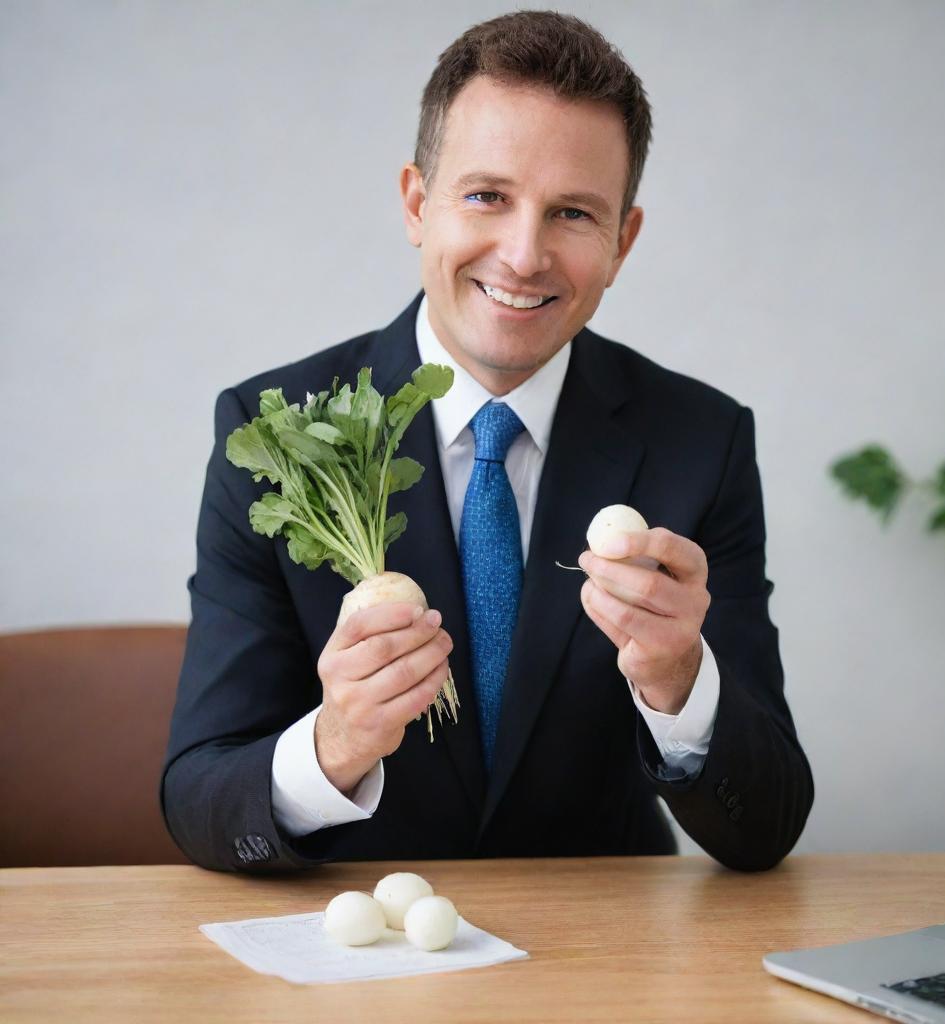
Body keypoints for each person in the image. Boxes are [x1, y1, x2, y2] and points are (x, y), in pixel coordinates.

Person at [161, 10, 813, 873]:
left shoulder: (703, 440)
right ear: (416, 203)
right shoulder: (273, 428)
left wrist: (681, 685)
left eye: (573, 213)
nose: (523, 254)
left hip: (603, 960)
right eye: (485, 196)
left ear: (622, 242)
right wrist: (334, 745)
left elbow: (765, 828)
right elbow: (198, 795)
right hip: (356, 949)